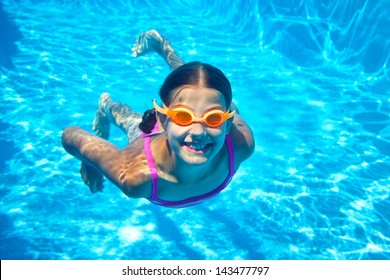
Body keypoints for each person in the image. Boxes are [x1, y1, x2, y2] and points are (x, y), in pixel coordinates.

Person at [62, 30, 255, 207]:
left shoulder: (241, 145)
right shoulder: (136, 175)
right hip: (147, 137)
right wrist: (91, 164)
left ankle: (164, 49)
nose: (199, 132)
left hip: (188, 122)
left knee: (195, 88)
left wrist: (197, 113)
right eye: (182, 116)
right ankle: (105, 105)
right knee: (130, 119)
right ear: (162, 120)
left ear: (228, 123)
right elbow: (70, 135)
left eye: (213, 118)